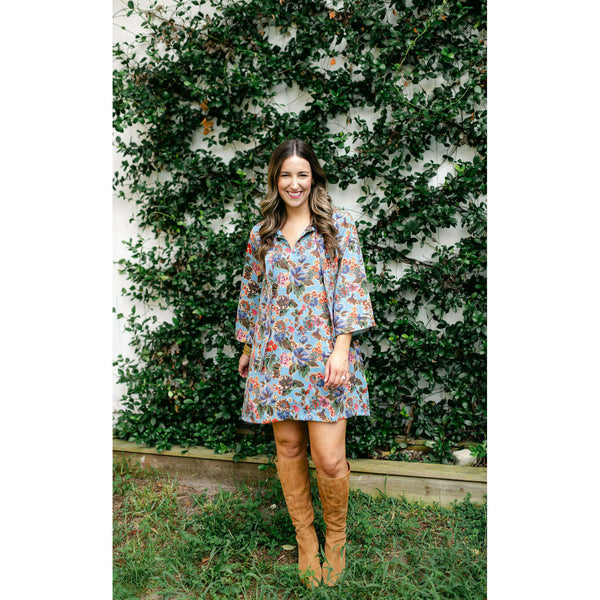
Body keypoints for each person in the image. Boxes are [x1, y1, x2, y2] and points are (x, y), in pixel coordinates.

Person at [235, 139, 376, 588]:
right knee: (289, 448)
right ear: (275, 180)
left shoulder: (338, 227)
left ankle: (336, 538)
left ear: (313, 178)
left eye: (302, 174)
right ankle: (306, 539)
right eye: (286, 175)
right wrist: (247, 347)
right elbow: (252, 294)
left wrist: (341, 349)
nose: (294, 184)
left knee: (329, 460)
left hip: (325, 359)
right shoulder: (262, 234)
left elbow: (352, 288)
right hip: (275, 358)